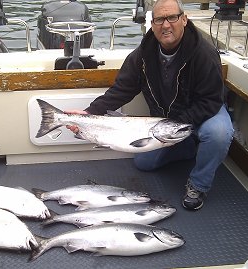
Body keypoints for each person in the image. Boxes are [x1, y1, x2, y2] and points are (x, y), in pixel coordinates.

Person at [67, 0, 234, 210]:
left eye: (172, 17)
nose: (166, 25)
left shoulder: (204, 54)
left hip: (204, 112)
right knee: (144, 163)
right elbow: (121, 90)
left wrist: (176, 124)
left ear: (184, 19)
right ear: (152, 24)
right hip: (166, 122)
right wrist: (88, 113)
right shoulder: (142, 55)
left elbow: (211, 100)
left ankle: (199, 184)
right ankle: (189, 146)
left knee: (218, 133)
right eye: (159, 20)